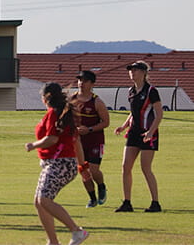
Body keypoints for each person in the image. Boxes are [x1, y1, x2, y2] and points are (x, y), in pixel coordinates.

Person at [25, 82, 90, 245]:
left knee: (44, 200)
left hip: (60, 163)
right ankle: (53, 241)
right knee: (39, 203)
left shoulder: (54, 114)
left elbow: (52, 139)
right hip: (58, 164)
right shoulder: (65, 114)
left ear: (45, 98)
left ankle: (77, 231)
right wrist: (82, 166)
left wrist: (33, 145)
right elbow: (77, 142)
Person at [114, 60, 163, 213]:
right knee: (125, 166)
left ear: (143, 72)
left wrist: (151, 131)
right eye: (130, 70)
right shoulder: (131, 91)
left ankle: (155, 203)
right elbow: (134, 112)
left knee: (145, 168)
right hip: (134, 133)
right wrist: (124, 126)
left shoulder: (151, 91)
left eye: (135, 70)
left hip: (148, 133)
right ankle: (127, 202)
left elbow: (159, 113)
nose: (132, 73)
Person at [70, 70, 110, 208]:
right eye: (80, 80)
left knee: (93, 170)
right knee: (83, 170)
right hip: (78, 142)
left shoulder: (97, 101)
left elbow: (106, 122)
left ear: (92, 84)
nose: (81, 83)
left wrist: (90, 129)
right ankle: (92, 198)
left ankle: (101, 186)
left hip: (95, 140)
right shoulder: (71, 100)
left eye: (85, 81)